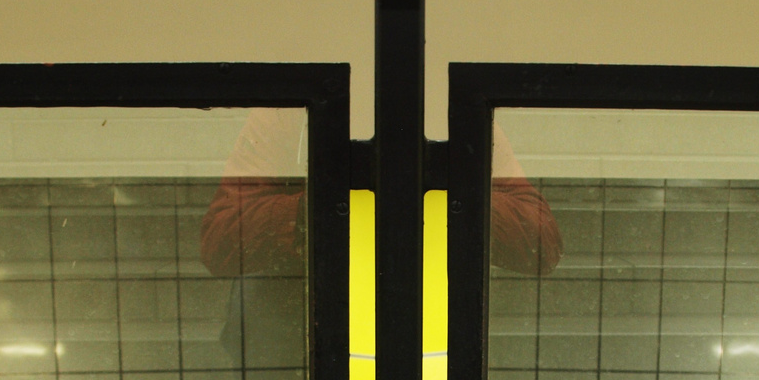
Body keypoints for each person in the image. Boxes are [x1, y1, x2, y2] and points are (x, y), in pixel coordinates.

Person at [200, 108, 562, 277]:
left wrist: (446, 192)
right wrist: (325, 205)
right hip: (302, 333)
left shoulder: (457, 114)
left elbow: (540, 244)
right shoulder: (288, 114)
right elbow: (221, 241)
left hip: (429, 332)